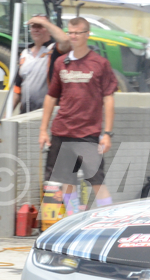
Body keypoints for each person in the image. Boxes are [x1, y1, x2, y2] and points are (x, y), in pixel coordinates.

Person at [38, 17, 117, 215]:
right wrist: (43, 130)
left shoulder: (100, 63)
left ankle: (109, 218)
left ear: (87, 34)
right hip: (62, 131)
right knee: (66, 181)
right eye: (70, 33)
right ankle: (73, 217)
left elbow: (108, 99)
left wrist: (107, 133)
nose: (73, 36)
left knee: (97, 180)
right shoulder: (60, 62)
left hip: (87, 133)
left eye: (77, 33)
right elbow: (51, 96)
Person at [13, 15, 70, 114]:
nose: (36, 29)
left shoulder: (54, 49)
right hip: (25, 113)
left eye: (40, 26)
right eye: (33, 26)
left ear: (49, 30)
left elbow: (66, 41)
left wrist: (44, 22)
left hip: (47, 112)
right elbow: (17, 88)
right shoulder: (25, 53)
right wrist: (6, 114)